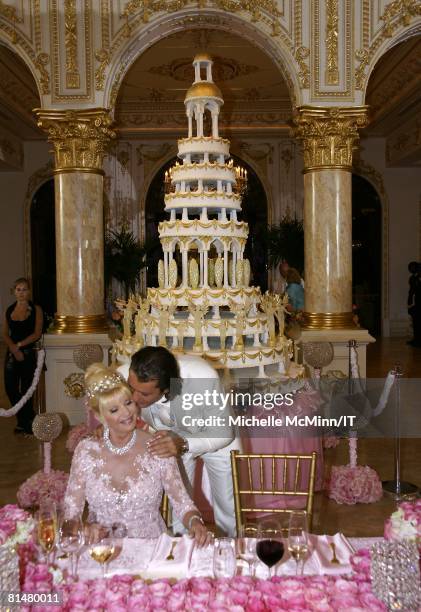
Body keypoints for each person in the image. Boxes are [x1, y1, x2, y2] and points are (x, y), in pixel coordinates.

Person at [64, 363, 211, 545]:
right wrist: (83, 528)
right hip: (101, 550)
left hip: (150, 549)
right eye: (114, 410)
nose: (127, 413)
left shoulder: (158, 447)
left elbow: (182, 503)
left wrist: (196, 523)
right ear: (99, 416)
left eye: (128, 403)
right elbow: (70, 514)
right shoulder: (86, 451)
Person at [119, 346, 240, 537]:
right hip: (173, 439)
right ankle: (181, 553)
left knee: (227, 506)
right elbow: (103, 405)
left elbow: (224, 432)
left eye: (144, 394)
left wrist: (183, 443)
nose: (134, 398)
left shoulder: (203, 377)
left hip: (215, 436)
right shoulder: (123, 375)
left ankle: (230, 551)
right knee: (180, 504)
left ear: (167, 388)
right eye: (131, 388)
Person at [3, 278, 43, 435]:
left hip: (28, 353)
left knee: (26, 388)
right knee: (10, 387)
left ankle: (25, 423)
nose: (21, 292)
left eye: (24, 289)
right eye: (18, 289)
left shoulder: (36, 309)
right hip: (12, 353)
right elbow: (5, 333)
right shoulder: (9, 309)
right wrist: (13, 348)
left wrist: (19, 346)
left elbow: (37, 333)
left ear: (29, 291)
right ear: (14, 291)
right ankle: (25, 418)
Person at [407, 261, 421, 347]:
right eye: (410, 268)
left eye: (412, 267)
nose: (410, 269)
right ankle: (416, 339)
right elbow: (411, 291)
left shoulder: (417, 277)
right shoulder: (412, 278)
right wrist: (409, 303)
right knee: (415, 322)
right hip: (416, 302)